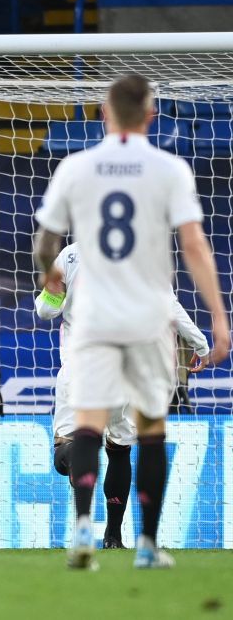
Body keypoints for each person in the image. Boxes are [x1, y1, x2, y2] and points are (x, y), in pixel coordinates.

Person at [34, 74, 230, 570]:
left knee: (86, 432)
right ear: (150, 114)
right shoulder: (168, 169)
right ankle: (142, 544)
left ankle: (82, 533)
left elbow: (44, 244)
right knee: (145, 435)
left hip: (91, 335)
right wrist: (215, 327)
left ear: (104, 113)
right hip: (142, 326)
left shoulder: (76, 168)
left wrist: (51, 279)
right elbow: (192, 248)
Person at [35, 241, 210, 549]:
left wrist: (52, 287)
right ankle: (113, 537)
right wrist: (200, 344)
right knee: (120, 450)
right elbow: (170, 307)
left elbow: (46, 311)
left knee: (67, 450)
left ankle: (78, 469)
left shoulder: (71, 255)